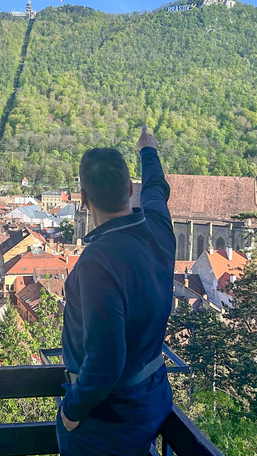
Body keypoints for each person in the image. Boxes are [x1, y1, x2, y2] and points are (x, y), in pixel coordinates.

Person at [57, 125, 175, 456]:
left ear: (82, 198)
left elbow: (107, 360)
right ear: (128, 188)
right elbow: (156, 188)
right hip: (151, 396)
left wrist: (70, 411)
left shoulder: (98, 260)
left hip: (110, 417)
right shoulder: (158, 228)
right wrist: (148, 151)